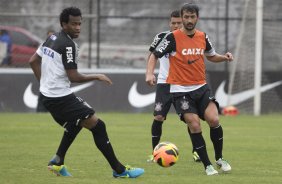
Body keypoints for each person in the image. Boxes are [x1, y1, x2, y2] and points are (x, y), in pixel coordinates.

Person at [29, 7, 144, 178]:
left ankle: (57, 162)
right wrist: (97, 76)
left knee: (74, 125)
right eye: (73, 24)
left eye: (79, 24)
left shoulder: (51, 38)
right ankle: (119, 171)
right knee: (99, 126)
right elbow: (73, 76)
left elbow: (33, 61)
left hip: (50, 95)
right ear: (64, 24)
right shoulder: (68, 45)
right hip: (60, 97)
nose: (78, 28)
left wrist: (44, 84)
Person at [146, 3, 233, 175]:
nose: (189, 20)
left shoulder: (203, 36)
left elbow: (211, 56)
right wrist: (149, 74)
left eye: (192, 17)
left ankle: (220, 159)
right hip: (180, 91)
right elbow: (154, 55)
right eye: (186, 17)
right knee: (194, 125)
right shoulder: (172, 38)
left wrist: (224, 57)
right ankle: (207, 165)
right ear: (182, 17)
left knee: (214, 120)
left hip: (201, 88)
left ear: (197, 18)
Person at [146, 10, 200, 163]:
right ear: (169, 23)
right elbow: (151, 55)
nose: (176, 25)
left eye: (179, 23)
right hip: (164, 83)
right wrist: (149, 73)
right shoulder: (161, 37)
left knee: (190, 119)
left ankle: (196, 151)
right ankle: (154, 152)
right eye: (173, 23)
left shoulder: (189, 37)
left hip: (182, 84)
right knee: (158, 117)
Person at [36, 29, 55, 112]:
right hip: (45, 75)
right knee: (43, 94)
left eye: (52, 36)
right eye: (49, 36)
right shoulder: (43, 46)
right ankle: (40, 111)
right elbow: (35, 59)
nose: (50, 37)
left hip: (54, 76)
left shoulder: (58, 46)